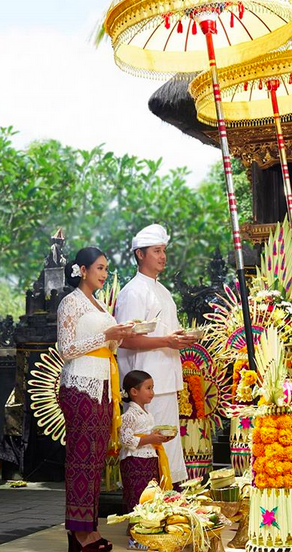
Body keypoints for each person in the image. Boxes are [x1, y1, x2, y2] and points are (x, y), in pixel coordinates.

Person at [58, 247, 135, 552]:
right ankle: (79, 532)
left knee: (95, 462)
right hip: (80, 387)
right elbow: (66, 349)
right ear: (82, 270)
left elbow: (108, 344)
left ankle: (88, 529)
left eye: (106, 269)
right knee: (81, 460)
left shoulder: (100, 305)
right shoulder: (70, 303)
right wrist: (106, 336)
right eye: (100, 268)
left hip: (104, 385)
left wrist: (119, 334)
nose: (104, 274)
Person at [115, 224, 194, 484]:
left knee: (168, 443)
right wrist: (167, 341)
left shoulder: (162, 291)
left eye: (164, 251)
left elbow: (163, 335)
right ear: (140, 254)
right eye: (157, 251)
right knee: (149, 447)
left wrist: (179, 338)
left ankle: (169, 499)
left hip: (164, 379)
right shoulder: (133, 291)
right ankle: (150, 502)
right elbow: (124, 339)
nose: (163, 256)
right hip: (144, 385)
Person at [120, 370, 175, 550]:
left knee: (148, 497)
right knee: (136, 497)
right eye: (148, 388)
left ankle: (145, 531)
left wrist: (160, 438)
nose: (152, 392)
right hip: (134, 462)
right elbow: (126, 440)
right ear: (134, 392)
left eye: (153, 388)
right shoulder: (129, 415)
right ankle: (135, 537)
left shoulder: (146, 414)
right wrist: (150, 439)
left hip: (149, 459)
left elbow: (148, 436)